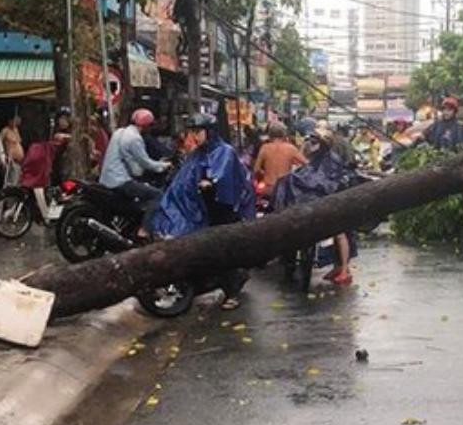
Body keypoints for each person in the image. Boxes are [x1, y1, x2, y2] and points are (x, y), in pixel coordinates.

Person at [151, 113, 255, 310]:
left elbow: (221, 176)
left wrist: (211, 182)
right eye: (193, 132)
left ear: (210, 132)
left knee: (221, 251)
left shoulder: (225, 152)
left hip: (222, 208)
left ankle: (232, 291)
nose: (195, 136)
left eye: (198, 132)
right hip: (202, 208)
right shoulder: (197, 154)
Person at [273, 127, 356, 286]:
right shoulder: (314, 159)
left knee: (339, 233)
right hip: (315, 203)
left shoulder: (332, 160)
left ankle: (344, 270)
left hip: (333, 203)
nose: (311, 145)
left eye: (314, 142)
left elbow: (325, 182)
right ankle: (339, 267)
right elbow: (305, 175)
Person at [98, 108, 172, 233]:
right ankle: (144, 230)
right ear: (146, 126)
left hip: (106, 178)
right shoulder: (135, 139)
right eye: (150, 125)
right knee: (157, 195)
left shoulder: (119, 132)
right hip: (120, 181)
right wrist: (165, 165)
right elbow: (146, 162)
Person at [253, 122, 307, 193]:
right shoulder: (290, 148)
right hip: (284, 189)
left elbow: (256, 169)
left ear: (270, 134)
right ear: (284, 134)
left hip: (268, 188)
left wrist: (264, 173)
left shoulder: (264, 148)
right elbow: (307, 164)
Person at [0, 113, 25, 186]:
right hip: (11, 159)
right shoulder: (5, 130)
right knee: (11, 181)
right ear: (10, 120)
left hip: (19, 161)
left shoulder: (16, 130)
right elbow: (0, 144)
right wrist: (4, 156)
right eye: (15, 119)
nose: (17, 121)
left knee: (17, 181)